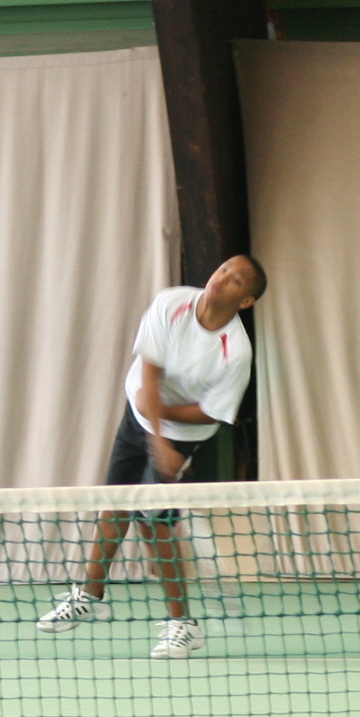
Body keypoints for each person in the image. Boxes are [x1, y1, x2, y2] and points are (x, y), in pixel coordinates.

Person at [36, 254, 263, 660]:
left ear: (246, 301)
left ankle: (184, 625)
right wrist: (156, 440)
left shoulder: (236, 352)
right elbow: (150, 375)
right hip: (139, 419)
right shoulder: (171, 303)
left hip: (186, 438)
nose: (223, 277)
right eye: (224, 269)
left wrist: (165, 432)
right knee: (115, 505)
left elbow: (213, 412)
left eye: (236, 280)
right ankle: (90, 596)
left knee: (154, 524)